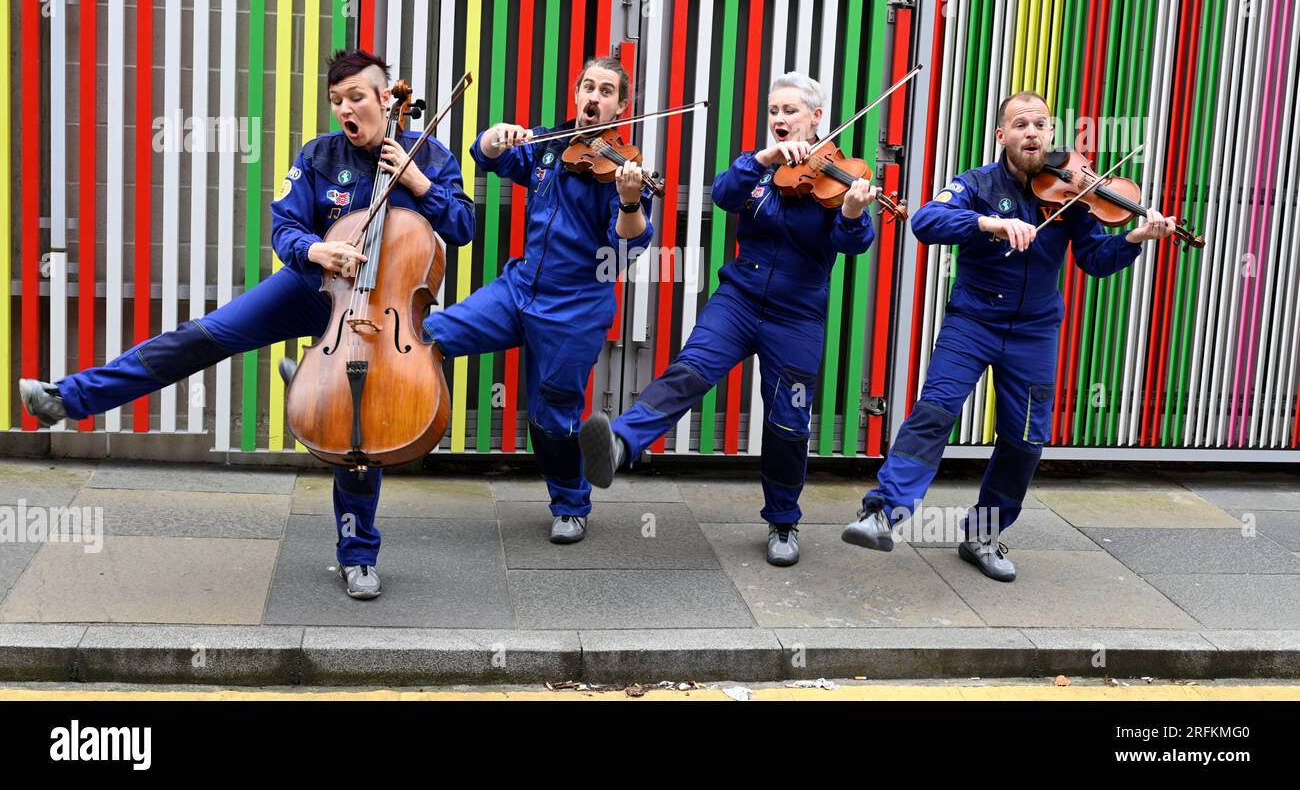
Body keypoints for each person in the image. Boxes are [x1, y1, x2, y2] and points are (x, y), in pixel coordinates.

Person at [20, 49, 476, 600]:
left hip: (385, 310)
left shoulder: (428, 155)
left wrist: (420, 182)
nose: (345, 109)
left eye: (356, 97)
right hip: (311, 289)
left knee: (362, 420)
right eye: (337, 101)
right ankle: (68, 398)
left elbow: (462, 225)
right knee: (200, 337)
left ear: (386, 98)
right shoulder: (318, 156)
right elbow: (284, 226)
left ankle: (358, 556)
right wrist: (316, 249)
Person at [841, 90, 1176, 580]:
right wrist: (988, 222)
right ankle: (882, 512)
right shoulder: (976, 183)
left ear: (1053, 135)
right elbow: (928, 221)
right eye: (1020, 124)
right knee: (935, 410)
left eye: (1040, 124)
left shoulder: (1076, 194)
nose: (1032, 132)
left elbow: (1095, 262)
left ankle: (983, 534)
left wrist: (1133, 239)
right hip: (972, 322)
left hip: (1035, 331)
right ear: (1002, 135)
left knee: (1025, 439)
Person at [579, 72, 878, 566]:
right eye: (774, 112)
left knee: (788, 423)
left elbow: (854, 244)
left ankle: (783, 521)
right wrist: (763, 158)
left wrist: (850, 213)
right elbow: (722, 194)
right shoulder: (760, 168)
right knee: (690, 370)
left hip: (798, 316)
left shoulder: (839, 176)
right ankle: (617, 443)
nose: (780, 120)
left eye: (790, 112)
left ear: (816, 118)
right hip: (737, 300)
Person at [421, 57, 653, 545]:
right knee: (430, 336)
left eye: (606, 90)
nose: (594, 97)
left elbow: (629, 243)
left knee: (553, 414)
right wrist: (495, 135)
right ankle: (344, 393)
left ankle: (571, 505)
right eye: (588, 86)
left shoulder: (623, 169)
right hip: (518, 288)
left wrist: (630, 200)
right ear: (576, 93)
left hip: (576, 308)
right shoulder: (550, 145)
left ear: (622, 105)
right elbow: (485, 156)